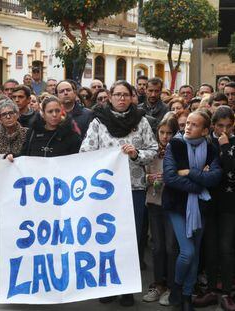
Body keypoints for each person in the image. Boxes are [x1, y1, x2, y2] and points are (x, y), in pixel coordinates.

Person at [80, 80, 158, 307]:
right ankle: (107, 285)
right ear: (110, 97)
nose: (122, 99)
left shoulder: (141, 121)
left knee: (130, 240)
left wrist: (136, 155)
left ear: (132, 97)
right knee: (106, 239)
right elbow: (85, 151)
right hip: (105, 193)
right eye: (117, 95)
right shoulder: (98, 122)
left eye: (126, 95)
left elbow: (152, 150)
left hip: (133, 189)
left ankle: (127, 290)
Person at [162, 110, 222, 311]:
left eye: (194, 125)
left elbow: (214, 178)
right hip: (177, 205)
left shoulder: (212, 150)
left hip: (201, 208)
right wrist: (198, 184)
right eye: (187, 123)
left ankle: (187, 296)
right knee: (187, 252)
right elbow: (170, 177)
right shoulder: (176, 144)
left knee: (195, 254)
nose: (188, 126)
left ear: (205, 130)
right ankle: (177, 287)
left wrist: (190, 172)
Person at [143, 116, 179, 306]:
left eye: (169, 133)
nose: (165, 137)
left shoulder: (180, 150)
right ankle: (158, 284)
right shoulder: (152, 151)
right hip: (154, 202)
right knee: (157, 247)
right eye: (162, 132)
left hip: (172, 204)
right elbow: (141, 173)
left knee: (171, 247)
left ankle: (172, 286)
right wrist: (148, 177)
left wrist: (169, 177)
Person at [210, 106, 235, 311]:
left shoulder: (231, 142)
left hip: (229, 203)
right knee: (210, 247)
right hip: (208, 202)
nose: (224, 131)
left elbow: (230, 169)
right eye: (220, 126)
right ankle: (210, 289)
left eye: (228, 126)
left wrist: (226, 147)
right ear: (213, 125)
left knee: (226, 248)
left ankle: (227, 290)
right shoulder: (206, 141)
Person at [8, 96, 81, 159]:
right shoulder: (32, 133)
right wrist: (12, 157)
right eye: (50, 111)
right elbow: (24, 155)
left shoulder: (71, 135)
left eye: (57, 111)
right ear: (43, 114)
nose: (54, 114)